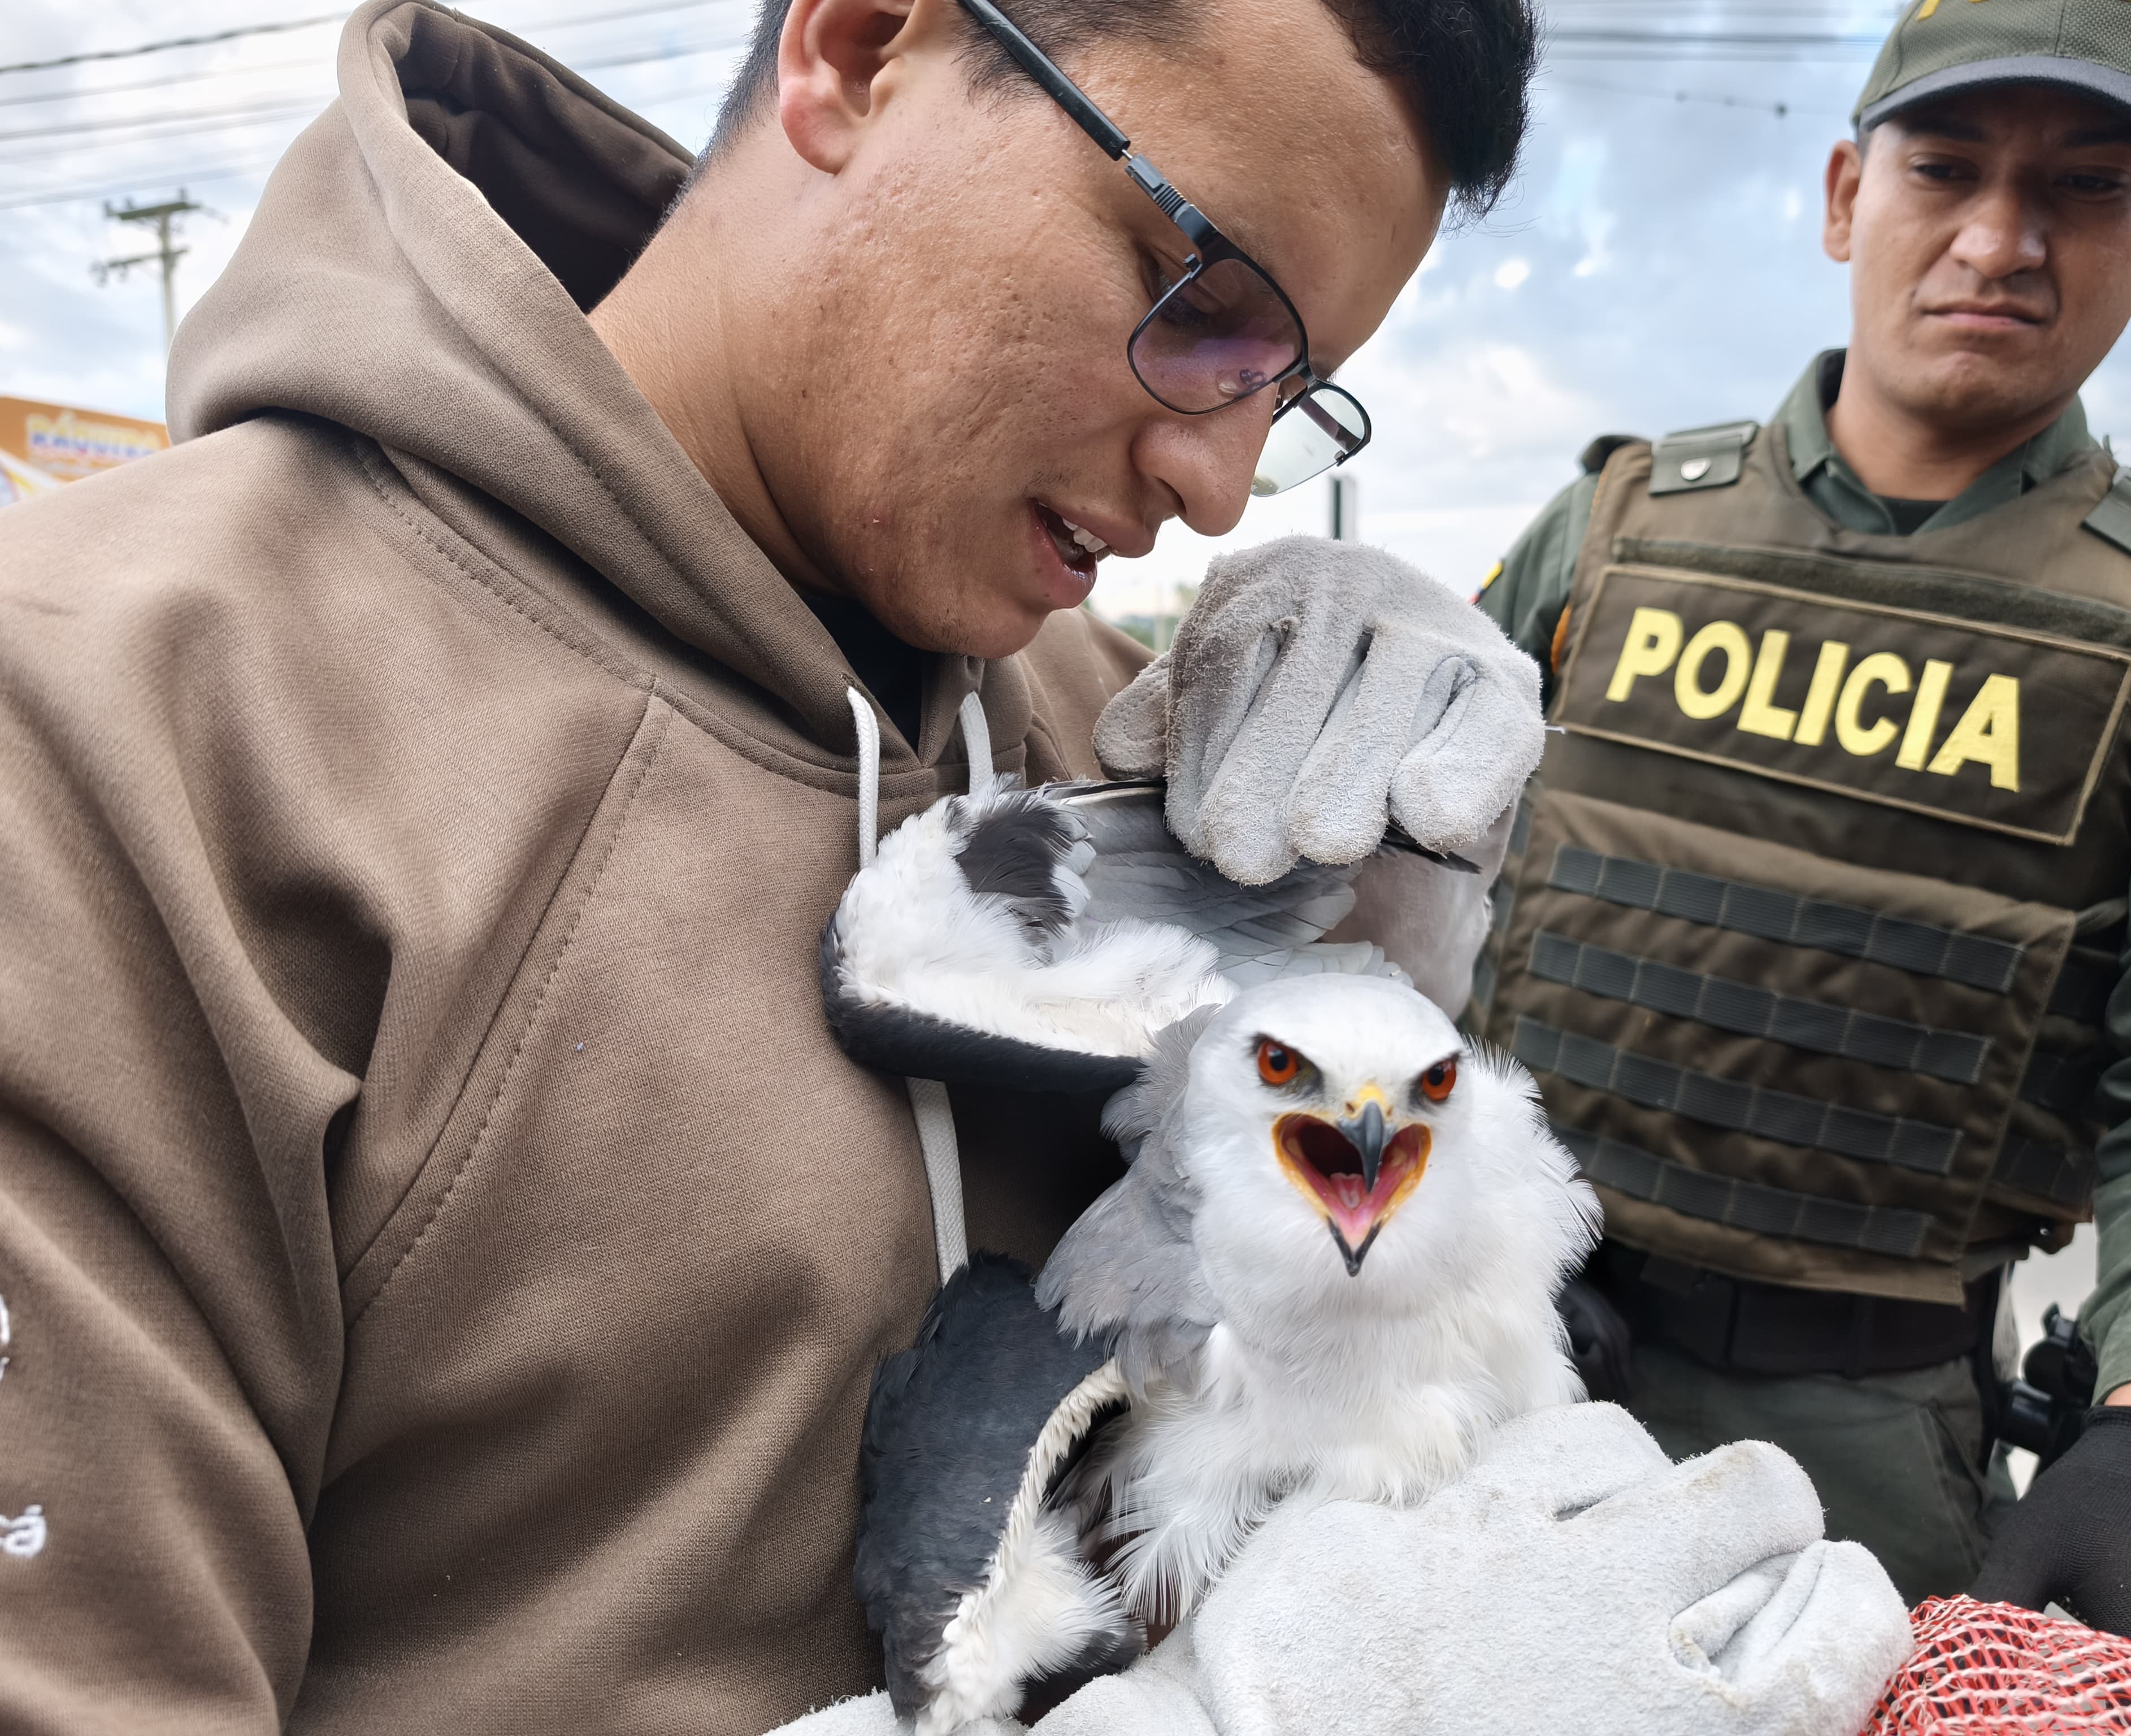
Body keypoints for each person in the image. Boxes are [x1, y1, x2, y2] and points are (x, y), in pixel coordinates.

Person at [0, 0, 1549, 1726]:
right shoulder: (111, 733)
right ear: (861, 50)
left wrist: (1396, 911)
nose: (1221, 484)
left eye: (1293, 390)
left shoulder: (1135, 747)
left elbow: (1331, 1369)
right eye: (1200, 301)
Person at [1470, 0, 2131, 1682]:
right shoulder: (1608, 535)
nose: (1999, 241)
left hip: (1854, 1484)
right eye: (1947, 169)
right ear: (1850, 194)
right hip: (1478, 1369)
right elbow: (1377, 926)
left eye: (2087, 184)